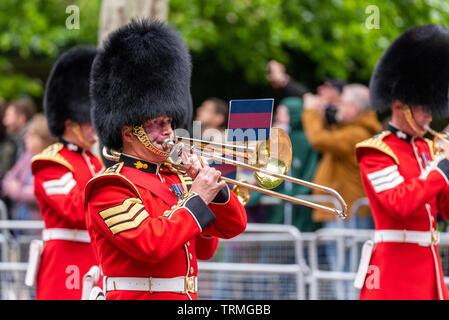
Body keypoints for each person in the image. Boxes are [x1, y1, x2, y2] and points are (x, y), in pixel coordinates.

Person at [86, 19, 247, 300]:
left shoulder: (178, 178)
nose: (169, 131)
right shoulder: (109, 185)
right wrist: (197, 197)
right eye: (156, 123)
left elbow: (229, 230)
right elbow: (151, 244)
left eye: (169, 121)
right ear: (129, 131)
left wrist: (214, 188)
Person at [354, 24, 449, 300]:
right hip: (395, 270)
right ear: (399, 105)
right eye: (423, 109)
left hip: (429, 266)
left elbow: (443, 208)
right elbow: (399, 204)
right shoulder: (376, 151)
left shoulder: (427, 148)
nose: (429, 118)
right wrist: (442, 169)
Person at [30, 45, 103, 300]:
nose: (96, 125)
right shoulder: (50, 163)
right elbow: (75, 210)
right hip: (64, 265)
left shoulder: (95, 162)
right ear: (71, 121)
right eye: (89, 118)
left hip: (95, 264)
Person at [2, 114, 57, 231]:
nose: (26, 137)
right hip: (20, 224)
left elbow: (41, 194)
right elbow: (7, 180)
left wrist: (18, 191)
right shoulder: (27, 156)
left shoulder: (52, 161)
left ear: (42, 139)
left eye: (31, 135)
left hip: (39, 228)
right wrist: (24, 190)